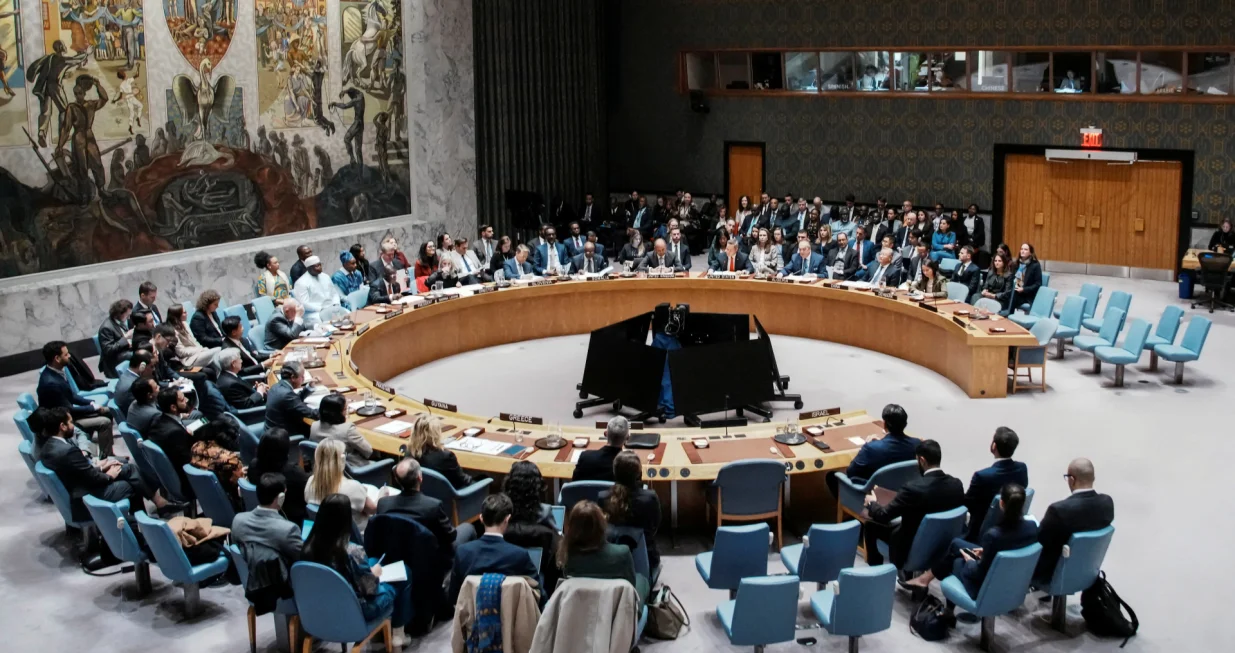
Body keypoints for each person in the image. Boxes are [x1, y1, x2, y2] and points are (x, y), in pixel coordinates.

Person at [903, 484, 1037, 605]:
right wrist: (986, 551)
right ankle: (924, 580)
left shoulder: (994, 535)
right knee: (956, 544)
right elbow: (1012, 547)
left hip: (984, 585)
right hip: (1011, 579)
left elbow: (977, 573)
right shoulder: (1032, 526)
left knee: (955, 560)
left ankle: (944, 608)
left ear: (1001, 503)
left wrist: (970, 561)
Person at [35, 406, 174, 511]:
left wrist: (102, 467)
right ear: (62, 426)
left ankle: (157, 502)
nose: (73, 425)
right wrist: (109, 476)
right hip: (86, 494)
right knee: (129, 485)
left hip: (81, 485)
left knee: (126, 467)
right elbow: (91, 478)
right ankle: (138, 525)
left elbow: (79, 472)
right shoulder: (68, 451)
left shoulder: (48, 446)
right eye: (71, 422)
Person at [301, 494, 399, 631]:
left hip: (318, 609)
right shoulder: (353, 551)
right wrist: (374, 575)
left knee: (371, 562)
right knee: (392, 588)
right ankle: (397, 633)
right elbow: (369, 590)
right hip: (355, 611)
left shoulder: (307, 547)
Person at [863, 439, 966, 568]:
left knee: (870, 526)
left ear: (922, 460)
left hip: (912, 546)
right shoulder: (956, 485)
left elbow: (883, 516)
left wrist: (872, 503)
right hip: (942, 545)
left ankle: (877, 572)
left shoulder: (912, 489)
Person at [1034, 458, 1115, 581]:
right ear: (1093, 478)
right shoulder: (1107, 503)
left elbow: (1039, 542)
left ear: (1072, 480)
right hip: (1087, 571)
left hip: (1055, 575)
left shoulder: (1059, 510)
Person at [449, 494, 539, 604]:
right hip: (510, 614)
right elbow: (539, 595)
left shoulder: (463, 552)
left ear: (481, 518)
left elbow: (454, 597)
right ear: (507, 519)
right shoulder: (519, 555)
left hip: (472, 614)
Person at [558, 500, 646, 603]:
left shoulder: (567, 557)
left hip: (579, 607)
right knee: (642, 580)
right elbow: (630, 588)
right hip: (616, 609)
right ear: (602, 525)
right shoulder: (622, 553)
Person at [377, 457, 465, 559]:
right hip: (430, 559)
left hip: (398, 556)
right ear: (420, 478)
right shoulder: (433, 506)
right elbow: (450, 536)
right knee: (468, 528)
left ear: (397, 480)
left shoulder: (383, 504)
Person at [38, 341, 114, 457]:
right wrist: (92, 408)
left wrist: (91, 403)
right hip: (63, 423)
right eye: (66, 354)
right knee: (104, 422)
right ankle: (106, 457)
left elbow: (72, 396)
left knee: (108, 411)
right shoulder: (51, 383)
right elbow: (68, 409)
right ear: (57, 358)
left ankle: (108, 452)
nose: (69, 356)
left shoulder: (56, 373)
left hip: (67, 414)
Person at [828, 404, 920, 495]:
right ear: (905, 424)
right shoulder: (918, 444)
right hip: (906, 495)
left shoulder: (871, 448)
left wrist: (867, 445)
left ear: (884, 424)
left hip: (875, 497)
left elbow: (851, 472)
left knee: (831, 476)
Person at [962, 427, 1029, 540]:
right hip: (1012, 526)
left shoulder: (982, 476)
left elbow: (968, 504)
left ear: (994, 446)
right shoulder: (1022, 468)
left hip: (980, 533)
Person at [502, 460, 562, 589]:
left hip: (507, 566)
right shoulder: (545, 512)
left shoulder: (504, 512)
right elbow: (557, 537)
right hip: (539, 568)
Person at [599, 451, 662, 571]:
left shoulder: (602, 498)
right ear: (639, 474)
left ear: (614, 473)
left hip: (611, 559)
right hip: (646, 559)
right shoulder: (650, 498)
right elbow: (655, 527)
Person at [231, 472, 304, 564]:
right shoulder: (289, 530)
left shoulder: (238, 520)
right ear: (281, 497)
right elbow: (303, 559)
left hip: (246, 572)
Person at [305, 440, 376, 529]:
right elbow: (373, 510)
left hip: (322, 533)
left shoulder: (310, 482)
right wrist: (382, 497)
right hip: (355, 535)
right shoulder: (353, 487)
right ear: (342, 459)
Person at [248, 428, 309, 525]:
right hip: (292, 520)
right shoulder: (294, 472)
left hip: (259, 516)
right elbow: (308, 494)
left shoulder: (253, 465)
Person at [144, 387, 198, 491]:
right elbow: (188, 461)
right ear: (173, 407)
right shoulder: (175, 433)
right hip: (187, 482)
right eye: (182, 400)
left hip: (168, 476)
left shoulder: (157, 420)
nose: (186, 400)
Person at [190, 418, 246, 509]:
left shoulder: (196, 447)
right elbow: (243, 484)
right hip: (234, 500)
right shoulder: (229, 458)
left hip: (207, 497)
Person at [407, 415, 474, 489]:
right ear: (435, 434)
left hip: (421, 490)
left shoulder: (409, 452)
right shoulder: (446, 456)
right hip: (451, 493)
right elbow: (463, 480)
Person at [311, 394, 376, 468]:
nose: (346, 411)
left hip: (322, 468)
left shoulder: (314, 426)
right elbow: (368, 451)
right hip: (348, 469)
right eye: (345, 409)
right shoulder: (347, 429)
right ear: (338, 413)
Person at [264, 361, 318, 438]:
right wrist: (332, 412)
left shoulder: (276, 386)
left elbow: (293, 401)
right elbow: (311, 413)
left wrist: (309, 387)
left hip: (272, 431)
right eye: (302, 376)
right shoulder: (287, 395)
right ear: (293, 377)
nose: (304, 379)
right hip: (282, 438)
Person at [293, 255, 345, 325]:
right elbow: (304, 303)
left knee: (347, 316)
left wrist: (336, 304)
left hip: (332, 308)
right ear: (309, 268)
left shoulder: (325, 277)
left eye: (320, 265)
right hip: (315, 313)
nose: (320, 267)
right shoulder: (301, 282)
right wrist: (322, 309)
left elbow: (334, 293)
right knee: (326, 325)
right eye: (316, 266)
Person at [97, 299, 134, 378]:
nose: (128, 317)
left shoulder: (119, 321)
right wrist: (126, 337)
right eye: (127, 315)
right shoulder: (106, 328)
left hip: (123, 352)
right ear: (119, 313)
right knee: (139, 355)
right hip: (114, 362)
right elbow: (109, 350)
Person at [114, 349, 155, 419]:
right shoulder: (133, 386)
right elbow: (143, 409)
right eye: (151, 366)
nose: (153, 369)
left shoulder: (127, 375)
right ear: (142, 367)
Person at [1011, 242, 1043, 310]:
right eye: (1021, 249)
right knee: (1006, 294)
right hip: (1015, 290)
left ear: (1030, 253)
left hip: (1027, 295)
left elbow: (1038, 284)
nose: (1023, 251)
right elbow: (1011, 278)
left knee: (1010, 297)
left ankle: (1006, 314)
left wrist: (1024, 289)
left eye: (1025, 249)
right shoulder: (1016, 264)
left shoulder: (1035, 265)